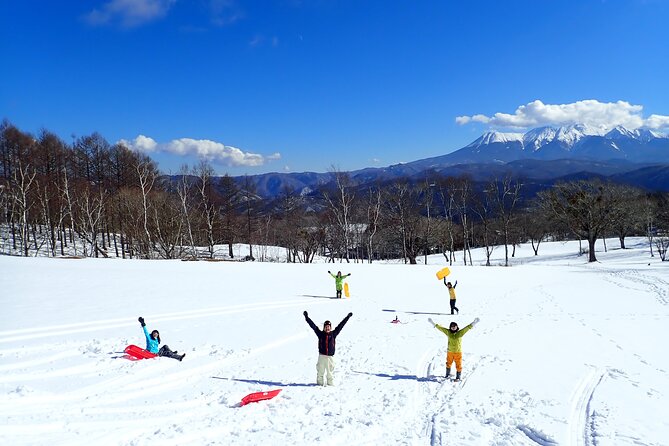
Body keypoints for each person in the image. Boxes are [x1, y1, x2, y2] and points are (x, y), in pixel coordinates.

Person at [303, 310, 352, 386]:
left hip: (330, 357)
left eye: (328, 327)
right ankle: (319, 386)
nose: (327, 328)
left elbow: (341, 325)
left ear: (330, 327)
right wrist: (307, 317)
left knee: (330, 373)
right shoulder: (320, 334)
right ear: (324, 327)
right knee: (320, 372)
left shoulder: (333, 334)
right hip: (322, 356)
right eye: (326, 327)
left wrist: (347, 317)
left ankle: (330, 386)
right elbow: (313, 326)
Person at [428, 317, 479, 381]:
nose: (453, 327)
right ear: (450, 327)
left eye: (454, 326)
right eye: (452, 326)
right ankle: (447, 374)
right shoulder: (448, 332)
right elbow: (441, 329)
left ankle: (458, 377)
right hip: (450, 352)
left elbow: (467, 328)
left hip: (458, 352)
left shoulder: (460, 333)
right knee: (448, 363)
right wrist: (433, 323)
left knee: (458, 365)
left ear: (457, 327)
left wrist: (474, 323)